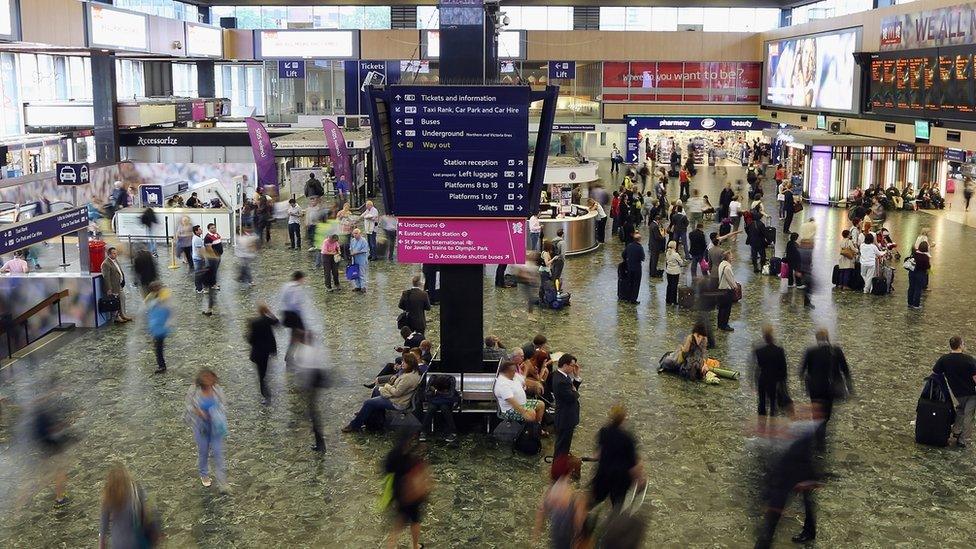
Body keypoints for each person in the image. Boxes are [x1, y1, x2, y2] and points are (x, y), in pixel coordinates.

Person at [754, 404, 824, 548]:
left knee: (773, 519)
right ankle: (809, 531)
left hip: (789, 479)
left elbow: (806, 459)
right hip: (789, 477)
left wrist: (809, 480)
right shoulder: (800, 431)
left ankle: (764, 545)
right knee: (805, 502)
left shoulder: (806, 433)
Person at [799, 329, 852, 448]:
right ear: (827, 338)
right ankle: (822, 433)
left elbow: (802, 370)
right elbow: (845, 369)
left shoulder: (811, 351)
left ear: (817, 339)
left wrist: (805, 382)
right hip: (830, 388)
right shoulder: (836, 351)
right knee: (827, 412)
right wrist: (849, 387)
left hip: (815, 388)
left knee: (816, 411)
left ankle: (818, 433)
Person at [342, 353, 422, 432]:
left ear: (410, 364)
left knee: (368, 403)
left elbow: (397, 392)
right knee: (377, 389)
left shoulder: (408, 378)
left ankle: (354, 425)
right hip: (399, 398)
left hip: (398, 402)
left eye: (404, 362)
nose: (402, 364)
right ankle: (373, 418)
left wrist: (387, 386)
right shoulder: (412, 373)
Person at [383, 432, 431, 549]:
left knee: (400, 520)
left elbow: (387, 470)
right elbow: (420, 475)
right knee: (415, 520)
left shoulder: (393, 455)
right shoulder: (410, 458)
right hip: (411, 496)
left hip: (398, 492)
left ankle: (391, 544)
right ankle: (415, 546)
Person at [591, 405, 643, 509]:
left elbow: (598, 453)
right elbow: (633, 463)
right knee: (617, 506)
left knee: (596, 499)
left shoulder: (604, 432)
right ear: (623, 419)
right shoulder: (628, 438)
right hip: (620, 479)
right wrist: (640, 478)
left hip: (603, 474)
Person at [99, 464, 160, 548]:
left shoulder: (108, 496)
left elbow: (103, 525)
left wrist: (102, 544)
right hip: (136, 541)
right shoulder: (137, 490)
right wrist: (156, 531)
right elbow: (151, 510)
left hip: (118, 543)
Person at [184, 369, 227, 488]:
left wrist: (217, 413)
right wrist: (198, 412)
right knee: (203, 452)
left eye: (210, 377)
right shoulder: (194, 390)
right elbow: (188, 406)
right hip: (201, 427)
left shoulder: (217, 390)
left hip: (215, 427)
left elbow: (223, 404)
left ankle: (221, 479)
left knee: (218, 452)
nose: (208, 380)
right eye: (205, 377)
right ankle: (204, 474)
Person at [533, 454, 587, 549]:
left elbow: (540, 513)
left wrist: (535, 537)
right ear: (569, 472)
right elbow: (580, 526)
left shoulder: (549, 494)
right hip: (569, 538)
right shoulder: (574, 497)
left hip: (556, 534)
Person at [933, 336, 976, 448]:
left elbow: (935, 373)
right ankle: (963, 440)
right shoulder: (969, 359)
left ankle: (956, 431)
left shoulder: (944, 359)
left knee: (961, 409)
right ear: (961, 345)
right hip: (971, 393)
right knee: (969, 415)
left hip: (957, 393)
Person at [754, 325, 792, 429]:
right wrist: (783, 380)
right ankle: (772, 425)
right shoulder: (779, 350)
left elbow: (757, 367)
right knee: (773, 402)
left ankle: (761, 426)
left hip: (763, 378)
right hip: (774, 380)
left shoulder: (759, 350)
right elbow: (783, 368)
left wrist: (754, 379)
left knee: (761, 402)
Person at [494, 359, 546, 423]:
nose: (515, 372)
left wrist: (537, 383)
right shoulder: (502, 384)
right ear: (508, 372)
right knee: (531, 413)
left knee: (541, 404)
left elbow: (524, 380)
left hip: (523, 403)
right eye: (514, 371)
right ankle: (530, 430)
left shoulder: (513, 376)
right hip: (510, 410)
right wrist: (524, 412)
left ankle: (537, 427)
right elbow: (513, 403)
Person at [247, 303, 278, 404]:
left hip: (259, 352)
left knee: (261, 375)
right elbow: (277, 322)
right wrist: (269, 313)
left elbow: (250, 339)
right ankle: (266, 393)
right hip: (268, 350)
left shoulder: (254, 323)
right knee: (264, 372)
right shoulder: (267, 320)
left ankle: (266, 396)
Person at [552, 354, 581, 457]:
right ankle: (558, 467)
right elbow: (572, 397)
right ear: (565, 365)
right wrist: (575, 392)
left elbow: (573, 391)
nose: (574, 368)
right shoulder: (561, 381)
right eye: (572, 365)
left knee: (565, 445)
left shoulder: (562, 376)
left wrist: (576, 377)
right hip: (565, 417)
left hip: (567, 416)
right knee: (562, 446)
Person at [279, 271, 309, 366]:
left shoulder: (286, 285)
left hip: (286, 313)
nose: (304, 281)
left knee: (295, 335)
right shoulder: (296, 288)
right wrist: (299, 315)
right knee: (300, 335)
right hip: (294, 314)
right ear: (299, 278)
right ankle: (303, 356)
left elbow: (283, 299)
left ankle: (290, 356)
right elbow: (295, 303)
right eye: (303, 279)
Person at [420, 373, 458, 443]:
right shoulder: (433, 378)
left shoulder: (451, 379)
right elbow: (426, 393)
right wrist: (441, 393)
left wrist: (436, 392)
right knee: (431, 408)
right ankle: (423, 431)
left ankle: (452, 432)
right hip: (436, 400)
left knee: (444, 408)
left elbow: (450, 395)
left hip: (445, 401)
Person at [144, 282, 171, 374]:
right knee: (158, 346)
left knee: (158, 346)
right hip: (157, 325)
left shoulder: (161, 296)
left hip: (160, 326)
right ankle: (161, 365)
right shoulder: (152, 298)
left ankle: (162, 366)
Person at [101, 247, 132, 323]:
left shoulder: (115, 261)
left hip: (119, 285)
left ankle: (123, 314)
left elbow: (119, 271)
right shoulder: (105, 264)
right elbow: (106, 277)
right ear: (109, 254)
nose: (116, 255)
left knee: (122, 299)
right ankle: (116, 317)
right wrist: (109, 288)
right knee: (115, 301)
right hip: (113, 286)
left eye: (116, 253)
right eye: (114, 253)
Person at [716, 250, 737, 332]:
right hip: (727, 291)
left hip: (720, 289)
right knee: (726, 309)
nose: (732, 257)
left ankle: (719, 324)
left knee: (721, 309)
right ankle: (724, 325)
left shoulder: (722, 264)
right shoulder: (727, 268)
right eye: (731, 256)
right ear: (728, 258)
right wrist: (735, 287)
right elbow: (731, 281)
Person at [907, 240, 931, 309]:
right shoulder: (925, 257)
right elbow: (927, 266)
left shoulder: (914, 254)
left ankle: (909, 302)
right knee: (918, 289)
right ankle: (916, 304)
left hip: (912, 272)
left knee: (911, 287)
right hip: (920, 274)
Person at [622, 231, 645, 304]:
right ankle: (633, 299)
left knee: (629, 282)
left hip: (629, 267)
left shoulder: (629, 246)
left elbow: (623, 254)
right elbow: (642, 258)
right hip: (637, 268)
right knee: (636, 284)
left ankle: (628, 297)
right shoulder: (640, 248)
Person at [203, 223, 224, 290]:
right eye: (212, 228)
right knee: (213, 271)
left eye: (214, 227)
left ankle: (213, 283)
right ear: (208, 229)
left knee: (215, 270)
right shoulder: (208, 237)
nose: (214, 229)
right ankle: (212, 284)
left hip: (218, 255)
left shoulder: (216, 234)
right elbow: (209, 248)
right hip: (213, 257)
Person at [664, 240, 684, 305]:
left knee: (669, 285)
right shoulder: (676, 254)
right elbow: (681, 262)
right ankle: (674, 300)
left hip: (669, 271)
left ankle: (668, 299)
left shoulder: (667, 252)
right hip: (675, 272)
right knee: (674, 286)